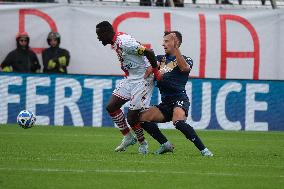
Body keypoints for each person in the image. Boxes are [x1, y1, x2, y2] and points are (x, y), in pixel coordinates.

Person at [140, 31, 213, 156]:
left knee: (178, 122)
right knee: (142, 118)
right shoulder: (159, 59)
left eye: (167, 41)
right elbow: (147, 73)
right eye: (163, 41)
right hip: (165, 103)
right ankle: (165, 144)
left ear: (176, 42)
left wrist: (176, 50)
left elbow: (184, 68)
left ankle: (204, 150)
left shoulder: (186, 59)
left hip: (180, 99)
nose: (163, 44)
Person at [96, 21, 161, 154]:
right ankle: (128, 137)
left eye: (99, 35)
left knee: (132, 117)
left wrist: (156, 71)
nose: (98, 38)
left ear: (106, 32)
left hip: (142, 80)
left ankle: (143, 143)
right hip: (130, 78)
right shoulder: (116, 42)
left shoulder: (124, 42)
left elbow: (149, 52)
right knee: (111, 107)